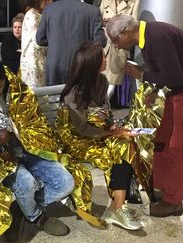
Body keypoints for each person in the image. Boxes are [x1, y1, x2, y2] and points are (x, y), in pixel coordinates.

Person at [106, 15, 183, 217]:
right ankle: (162, 187)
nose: (115, 45)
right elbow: (168, 71)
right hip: (182, 88)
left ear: (125, 33)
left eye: (115, 40)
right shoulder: (148, 36)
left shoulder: (157, 37)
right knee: (163, 139)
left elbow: (175, 77)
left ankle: (173, 202)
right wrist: (155, 90)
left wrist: (141, 74)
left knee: (178, 146)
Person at [0, 55, 74, 236]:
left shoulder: (17, 89)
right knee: (26, 183)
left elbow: (35, 123)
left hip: (26, 150)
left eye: (0, 85)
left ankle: (24, 205)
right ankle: (35, 217)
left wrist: (13, 136)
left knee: (66, 183)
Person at [56, 42, 145, 230]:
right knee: (111, 153)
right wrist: (108, 133)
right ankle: (118, 207)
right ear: (92, 63)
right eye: (102, 57)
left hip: (99, 133)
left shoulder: (102, 82)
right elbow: (82, 129)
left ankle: (117, 207)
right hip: (77, 140)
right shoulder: (74, 94)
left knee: (126, 143)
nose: (106, 59)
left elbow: (105, 112)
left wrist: (113, 126)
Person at [36, 0, 107, 86]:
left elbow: (40, 39)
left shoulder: (49, 10)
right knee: (80, 98)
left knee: (54, 97)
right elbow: (100, 42)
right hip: (82, 66)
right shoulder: (93, 11)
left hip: (55, 67)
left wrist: (55, 42)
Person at [99, 0, 140, 101]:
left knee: (111, 86)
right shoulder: (106, 1)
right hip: (104, 44)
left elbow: (134, 24)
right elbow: (98, 18)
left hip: (120, 45)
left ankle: (104, 108)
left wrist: (113, 23)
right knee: (100, 82)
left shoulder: (135, 2)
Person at [20, 0, 51, 88]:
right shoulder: (31, 15)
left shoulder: (41, 14)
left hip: (41, 59)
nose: (50, 2)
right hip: (34, 61)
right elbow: (37, 40)